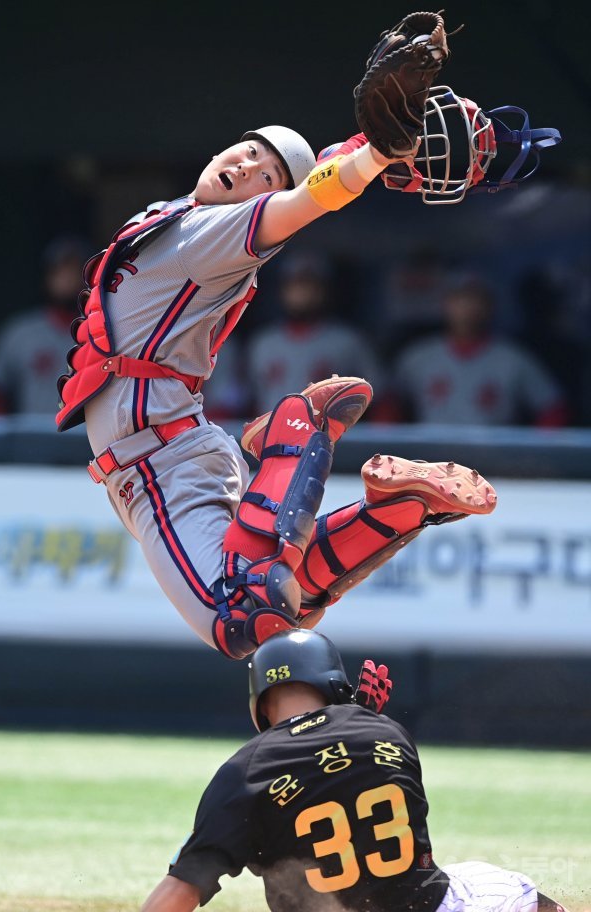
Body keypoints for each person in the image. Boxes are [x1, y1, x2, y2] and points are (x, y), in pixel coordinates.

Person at [56, 94, 498, 659]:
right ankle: (400, 505)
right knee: (280, 605)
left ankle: (294, 435)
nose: (246, 167)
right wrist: (364, 146)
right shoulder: (183, 216)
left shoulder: (216, 231)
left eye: (264, 175)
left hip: (161, 460)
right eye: (247, 151)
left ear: (265, 198)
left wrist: (375, 155)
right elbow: (316, 180)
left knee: (242, 618)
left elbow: (311, 199)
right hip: (165, 451)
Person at [140, 628, 570, 912]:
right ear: (332, 681)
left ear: (261, 703)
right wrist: (360, 715)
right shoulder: (387, 732)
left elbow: (182, 889)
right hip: (429, 906)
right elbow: (341, 775)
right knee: (506, 887)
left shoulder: (242, 773)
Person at [388, 274, 569, 427]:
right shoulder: (418, 356)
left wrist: (535, 453)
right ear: (445, 304)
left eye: (476, 299)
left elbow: (553, 408)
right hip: (432, 455)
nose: (467, 307)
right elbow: (388, 403)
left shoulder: (512, 358)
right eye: (460, 299)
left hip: (492, 456)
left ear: (490, 306)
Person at [245, 250, 381, 416]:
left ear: (325, 289)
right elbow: (241, 401)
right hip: (269, 429)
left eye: (310, 284)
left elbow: (381, 399)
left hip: (327, 431)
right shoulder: (263, 342)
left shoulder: (347, 341)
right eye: (296, 283)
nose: (303, 292)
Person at [0, 235, 90, 415]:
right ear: (47, 277)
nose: (67, 278)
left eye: (74, 270)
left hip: (86, 431)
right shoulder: (21, 332)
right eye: (60, 271)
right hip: (34, 431)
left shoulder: (100, 330)